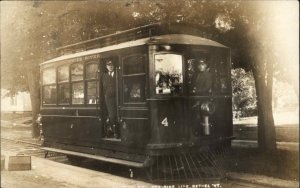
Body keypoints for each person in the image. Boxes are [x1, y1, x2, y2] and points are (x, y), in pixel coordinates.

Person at [102, 60, 119, 138]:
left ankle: (115, 130)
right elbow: (103, 87)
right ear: (106, 67)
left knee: (117, 113)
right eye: (109, 65)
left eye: (112, 65)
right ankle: (114, 131)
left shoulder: (118, 74)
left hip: (118, 97)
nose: (110, 66)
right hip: (108, 98)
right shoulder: (104, 76)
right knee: (112, 114)